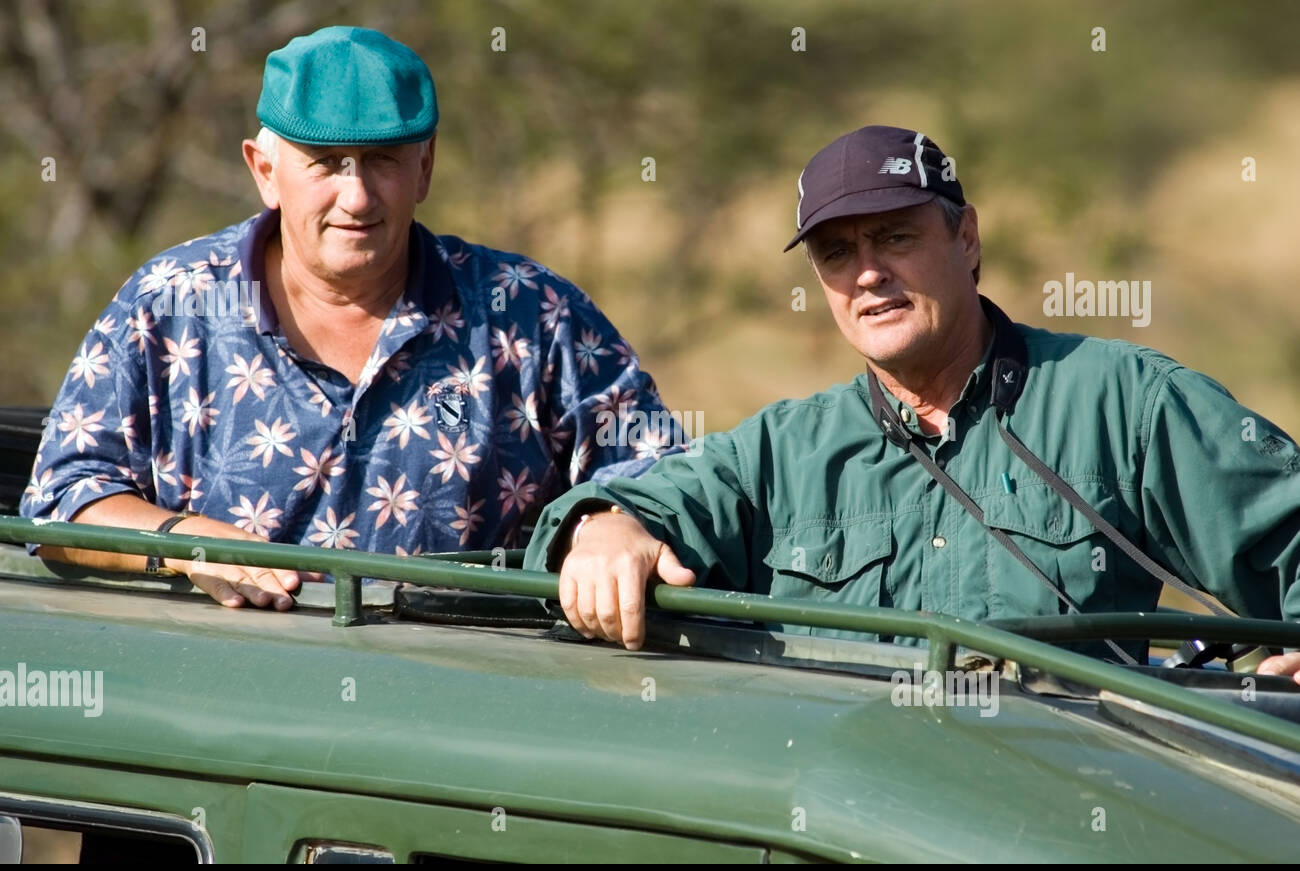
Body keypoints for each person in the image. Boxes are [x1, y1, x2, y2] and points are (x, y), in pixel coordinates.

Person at [523, 124, 1300, 682]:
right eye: (837, 253)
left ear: (965, 239)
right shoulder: (781, 451)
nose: (866, 274)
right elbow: (642, 505)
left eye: (894, 238)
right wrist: (601, 527)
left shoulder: (1124, 401)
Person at [21, 26, 683, 610]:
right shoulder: (170, 304)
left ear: (425, 169)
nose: (357, 195)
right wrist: (185, 542)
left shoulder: (529, 314)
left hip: (466, 705)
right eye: (327, 164)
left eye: (383, 162)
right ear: (266, 170)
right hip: (214, 709)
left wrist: (609, 522)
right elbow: (61, 502)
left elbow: (666, 471)